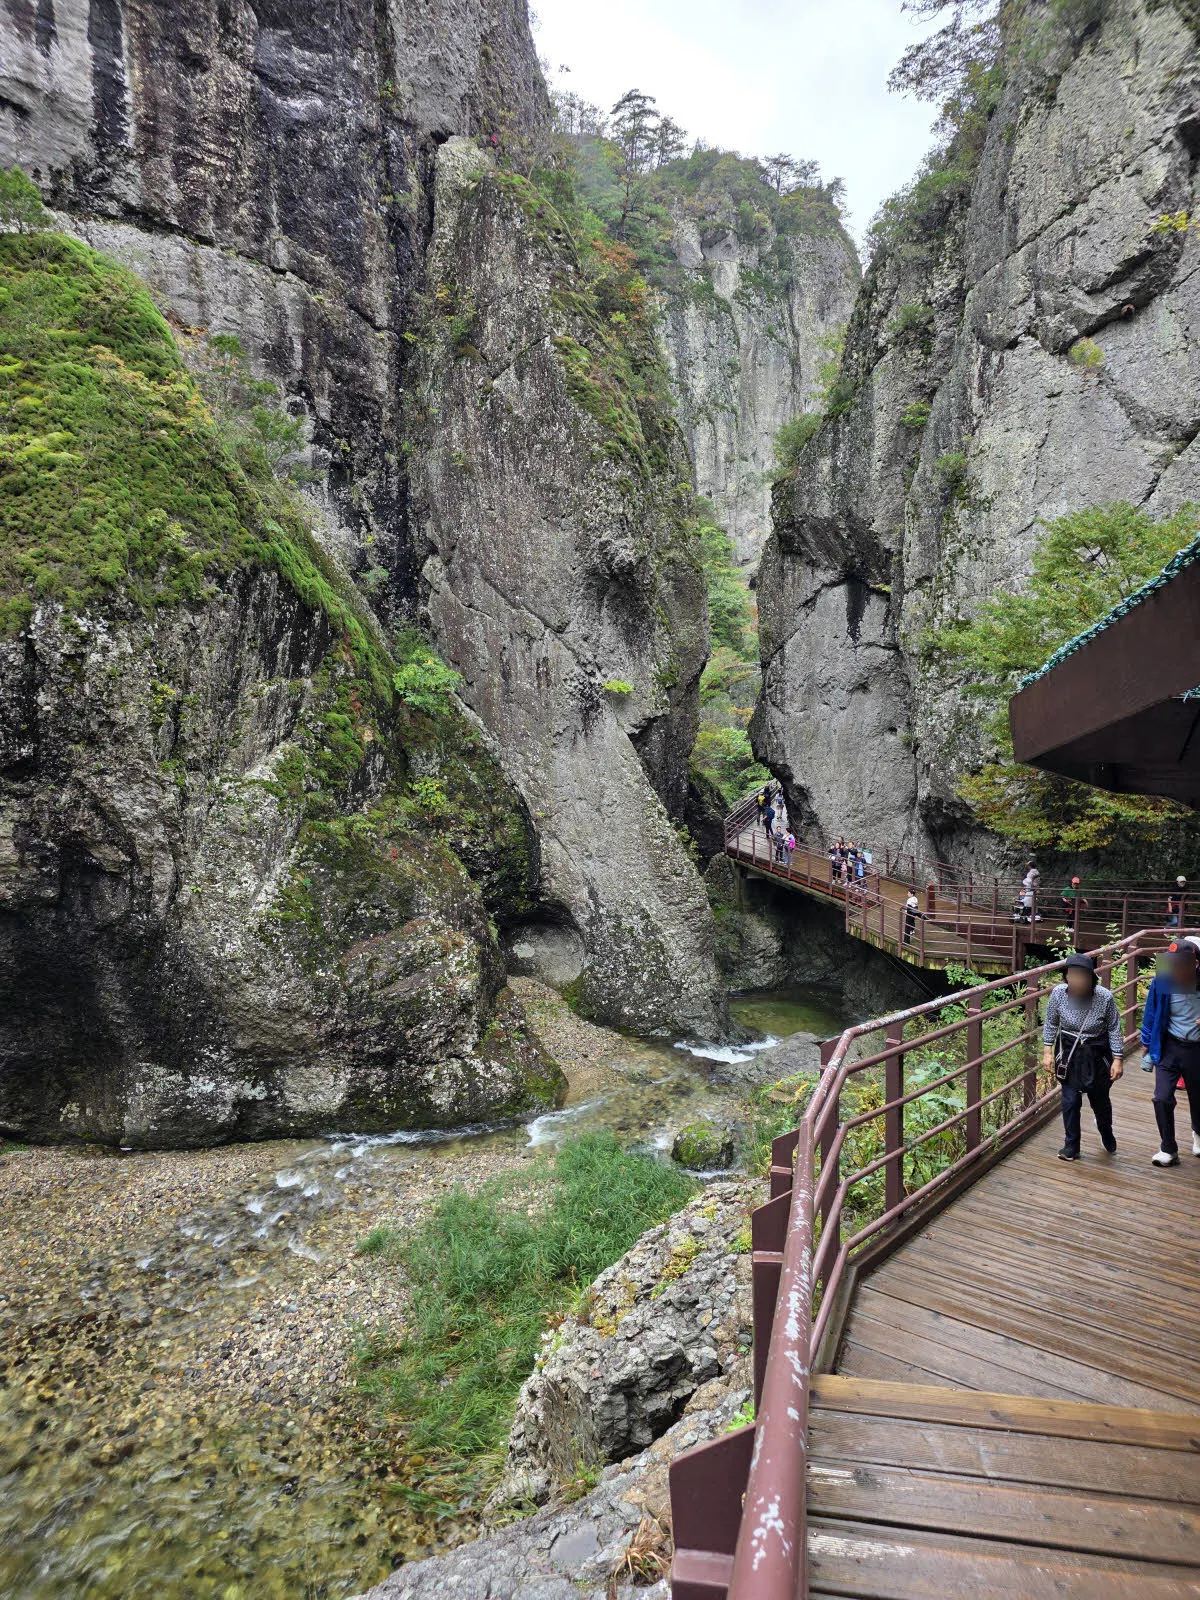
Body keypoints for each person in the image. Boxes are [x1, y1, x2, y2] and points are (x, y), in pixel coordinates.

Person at [1042, 953, 1123, 1161]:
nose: (1077, 980)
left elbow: (1114, 1028)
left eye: (1082, 976)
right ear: (1066, 976)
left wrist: (1118, 1058)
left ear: (1091, 978)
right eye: (1072, 975)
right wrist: (1047, 1052)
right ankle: (1071, 1147)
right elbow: (1051, 1022)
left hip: (1096, 1052)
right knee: (1070, 1100)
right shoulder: (1059, 994)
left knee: (1100, 1101)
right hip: (1069, 1051)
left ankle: (1106, 1132)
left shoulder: (1104, 997)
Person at [1140, 936, 1200, 1166]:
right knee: (1161, 1098)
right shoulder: (1164, 978)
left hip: (1197, 1049)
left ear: (1195, 964)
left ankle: (1198, 1133)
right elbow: (1151, 1012)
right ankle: (1168, 1148)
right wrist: (1147, 1045)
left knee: (1198, 1098)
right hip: (1170, 1046)